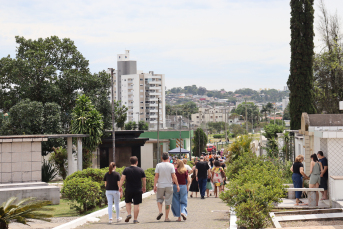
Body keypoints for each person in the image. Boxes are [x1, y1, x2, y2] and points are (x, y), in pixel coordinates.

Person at [118, 156, 146, 224]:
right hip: (138, 189)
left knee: (128, 202)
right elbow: (144, 179)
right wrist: (144, 187)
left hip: (129, 189)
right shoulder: (140, 170)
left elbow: (122, 179)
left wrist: (119, 186)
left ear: (130, 162)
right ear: (137, 162)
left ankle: (129, 214)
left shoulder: (126, 169)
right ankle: (135, 219)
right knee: (136, 204)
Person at [154, 152, 180, 222]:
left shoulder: (158, 165)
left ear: (162, 158)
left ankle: (160, 211)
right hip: (169, 185)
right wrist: (177, 185)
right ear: (168, 158)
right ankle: (166, 217)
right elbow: (174, 176)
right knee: (168, 201)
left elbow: (156, 176)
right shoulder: (171, 166)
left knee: (159, 199)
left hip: (160, 185)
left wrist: (154, 185)